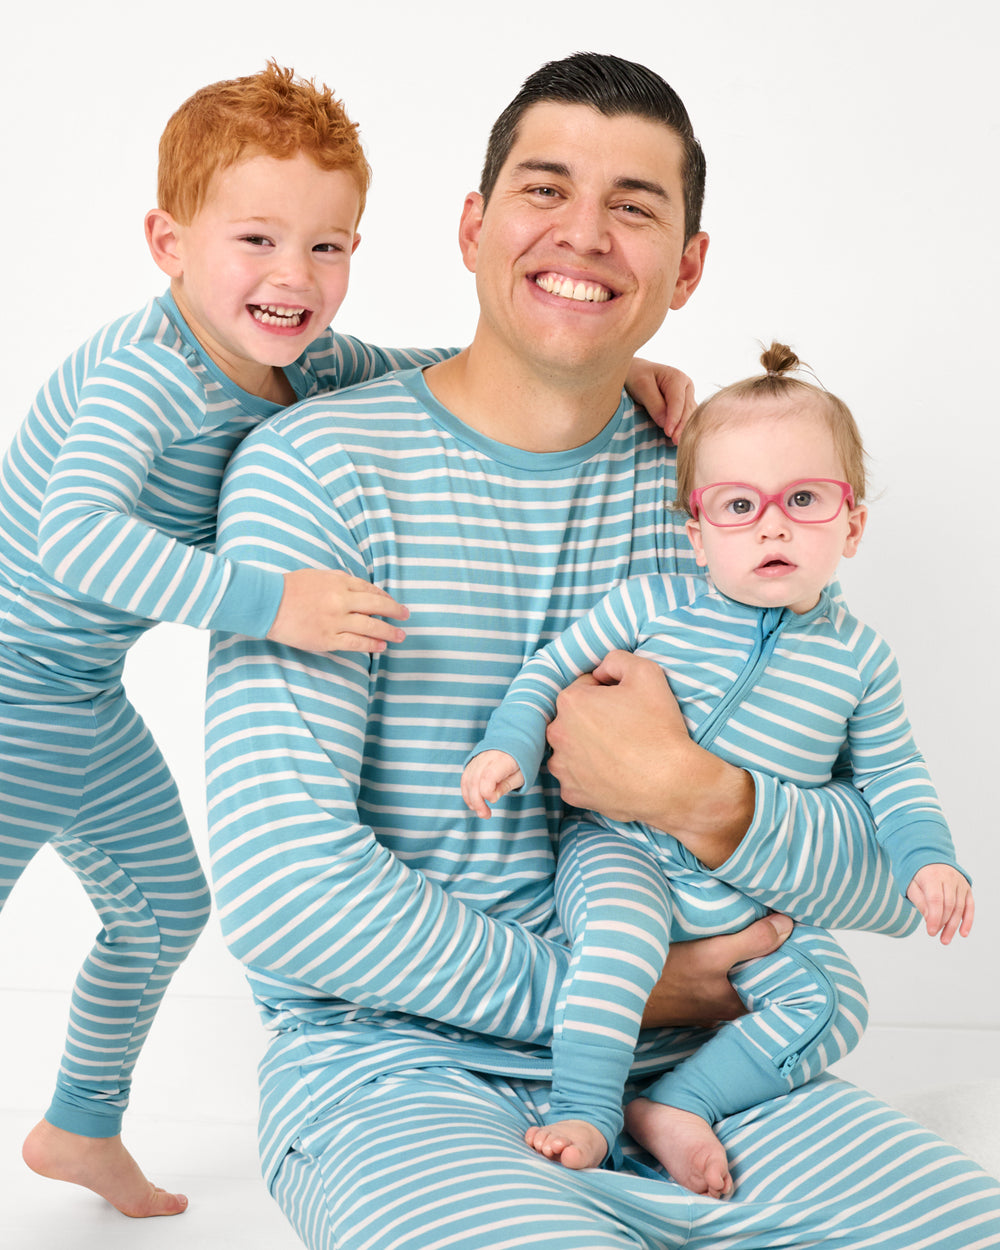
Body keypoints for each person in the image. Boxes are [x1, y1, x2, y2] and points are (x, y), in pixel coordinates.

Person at [205, 52, 1000, 1249]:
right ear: (472, 225)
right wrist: (623, 986)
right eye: (543, 191)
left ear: (687, 266)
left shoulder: (720, 498)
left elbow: (890, 880)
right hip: (399, 1080)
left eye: (633, 206)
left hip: (713, 1078)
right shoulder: (318, 470)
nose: (583, 236)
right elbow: (291, 896)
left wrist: (703, 797)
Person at [462, 340, 974, 1195]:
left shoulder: (860, 660)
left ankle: (676, 1103)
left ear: (852, 523)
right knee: (618, 945)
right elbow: (549, 670)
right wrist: (507, 745)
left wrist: (928, 859)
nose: (773, 524)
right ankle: (586, 1107)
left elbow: (893, 778)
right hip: (622, 850)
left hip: (746, 895)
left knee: (835, 1000)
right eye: (739, 505)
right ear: (696, 534)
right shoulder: (650, 604)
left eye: (804, 499)